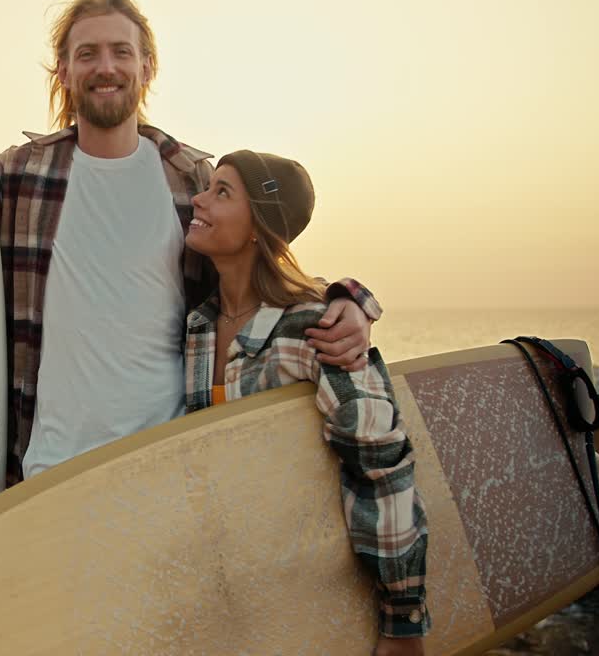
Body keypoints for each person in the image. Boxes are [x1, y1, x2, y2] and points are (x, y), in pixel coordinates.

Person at [0, 0, 380, 485]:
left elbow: (261, 273)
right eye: (86, 54)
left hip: (169, 469)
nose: (105, 66)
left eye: (121, 51)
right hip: (47, 478)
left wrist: (348, 301)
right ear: (63, 71)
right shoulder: (22, 176)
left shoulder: (191, 177)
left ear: (147, 67)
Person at [183, 149, 429, 656]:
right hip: (225, 591)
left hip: (307, 585)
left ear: (259, 226)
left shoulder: (312, 327)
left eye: (221, 191)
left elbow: (380, 467)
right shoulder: (198, 326)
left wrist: (401, 621)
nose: (196, 198)